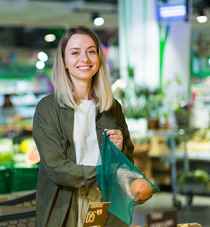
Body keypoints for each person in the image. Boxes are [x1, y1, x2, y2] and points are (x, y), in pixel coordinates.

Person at [32, 26, 134, 227]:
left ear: (98, 58)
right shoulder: (48, 109)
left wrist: (120, 150)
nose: (85, 59)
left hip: (106, 203)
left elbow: (128, 162)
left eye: (91, 51)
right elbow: (56, 168)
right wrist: (104, 174)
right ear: (64, 62)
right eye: (75, 52)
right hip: (64, 206)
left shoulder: (112, 107)